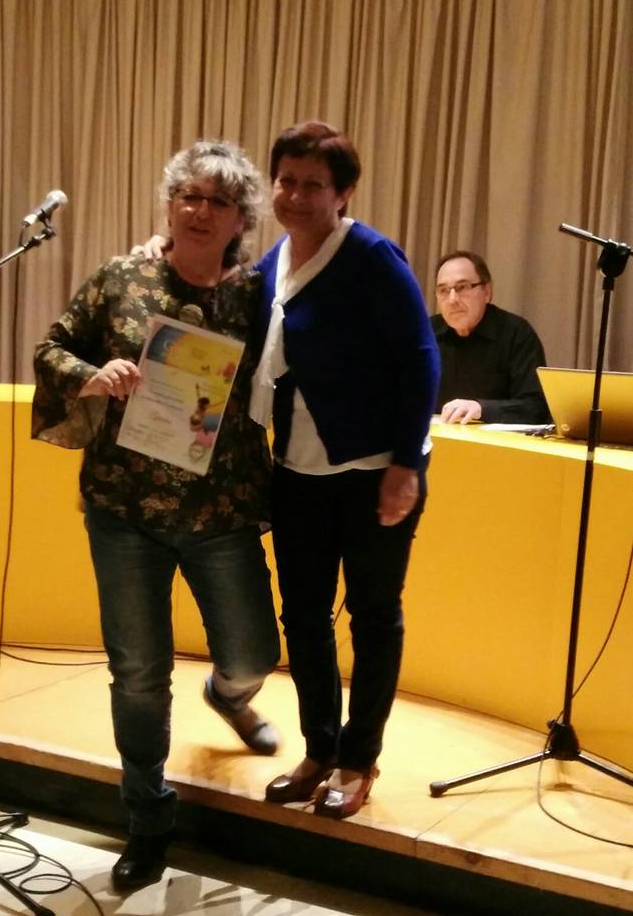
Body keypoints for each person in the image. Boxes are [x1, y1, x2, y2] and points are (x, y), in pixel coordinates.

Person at [32, 141, 281, 891]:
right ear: (170, 203)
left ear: (240, 218)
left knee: (254, 655)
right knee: (138, 674)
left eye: (218, 201)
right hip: (124, 510)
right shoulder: (122, 276)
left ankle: (228, 697)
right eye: (188, 196)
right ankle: (148, 819)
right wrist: (92, 374)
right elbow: (52, 347)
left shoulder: (258, 294)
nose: (200, 210)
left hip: (222, 511)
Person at [250, 121, 440, 819]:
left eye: (313, 184)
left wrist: (405, 465)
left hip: (373, 471)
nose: (296, 196)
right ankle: (319, 749)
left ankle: (359, 760)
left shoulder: (370, 257)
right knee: (303, 617)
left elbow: (421, 361)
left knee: (373, 617)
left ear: (344, 193)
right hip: (296, 470)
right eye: (286, 181)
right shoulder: (271, 263)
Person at [432, 251, 551, 424]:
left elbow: (536, 407)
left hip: (497, 440)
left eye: (462, 287)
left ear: (487, 292)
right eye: (443, 290)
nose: (452, 300)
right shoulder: (426, 332)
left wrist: (481, 409)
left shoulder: (516, 333)